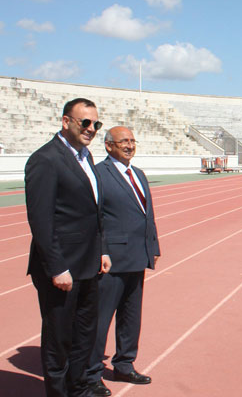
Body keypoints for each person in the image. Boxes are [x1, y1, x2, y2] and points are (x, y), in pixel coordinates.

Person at [25, 97, 112, 396]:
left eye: (96, 124)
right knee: (59, 339)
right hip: (61, 269)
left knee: (84, 335)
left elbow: (92, 212)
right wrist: (57, 267)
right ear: (66, 122)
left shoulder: (85, 157)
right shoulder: (46, 159)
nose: (91, 129)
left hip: (89, 264)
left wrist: (102, 249)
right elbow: (41, 220)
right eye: (85, 122)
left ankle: (78, 389)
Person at [87, 127, 160, 395]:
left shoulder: (138, 174)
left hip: (137, 257)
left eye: (132, 141)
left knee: (131, 316)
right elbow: (95, 218)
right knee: (101, 318)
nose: (129, 146)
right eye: (123, 142)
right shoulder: (99, 175)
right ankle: (91, 372)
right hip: (112, 260)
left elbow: (146, 215)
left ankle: (124, 364)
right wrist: (102, 251)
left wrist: (152, 247)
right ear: (108, 146)